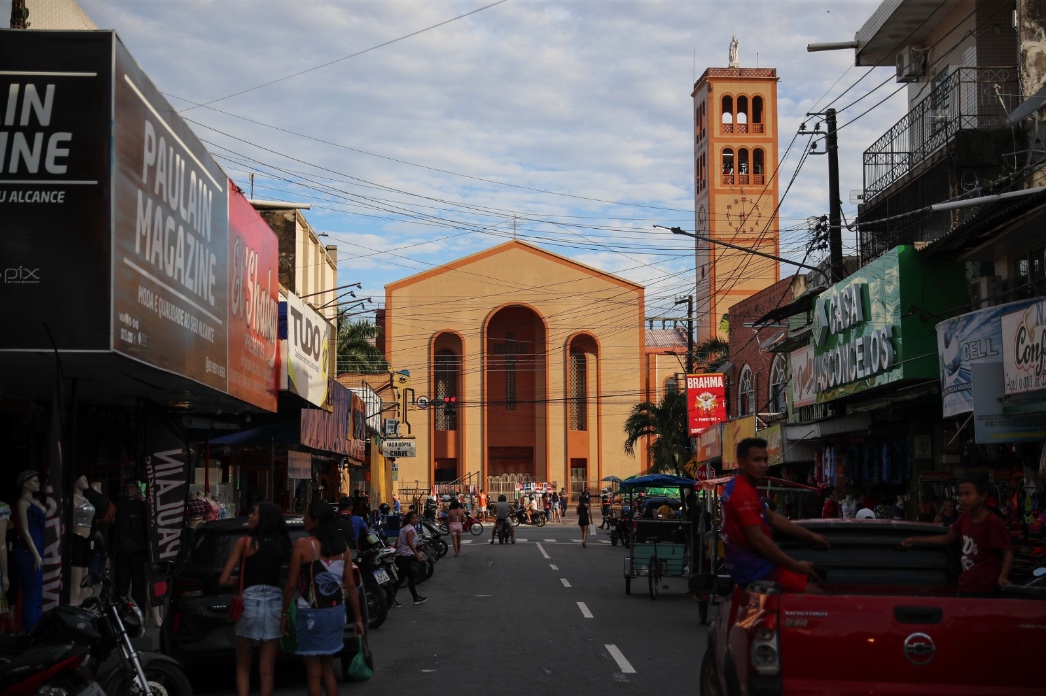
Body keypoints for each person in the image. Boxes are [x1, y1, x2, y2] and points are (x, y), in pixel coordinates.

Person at [721, 438, 830, 593]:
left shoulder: (740, 486)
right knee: (817, 593)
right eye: (757, 460)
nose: (763, 465)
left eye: (765, 460)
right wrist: (797, 566)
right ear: (741, 462)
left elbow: (772, 518)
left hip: (751, 566)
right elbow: (759, 540)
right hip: (755, 569)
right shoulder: (742, 493)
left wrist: (811, 536)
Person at [281, 500, 363, 696]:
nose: (304, 519)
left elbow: (291, 584)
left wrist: (284, 613)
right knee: (328, 670)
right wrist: (358, 618)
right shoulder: (343, 548)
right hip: (336, 613)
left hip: (310, 614)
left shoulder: (302, 545)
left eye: (307, 516)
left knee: (313, 673)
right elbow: (350, 586)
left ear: (316, 521)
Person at [220, 502, 291, 696]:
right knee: (267, 669)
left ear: (263, 519)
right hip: (275, 602)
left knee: (243, 664)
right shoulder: (281, 544)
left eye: (254, 513)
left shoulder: (244, 543)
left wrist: (245, 578)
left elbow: (224, 579)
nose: (249, 516)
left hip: (249, 601)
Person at [902, 472, 1012, 596]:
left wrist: (1003, 576)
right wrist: (916, 539)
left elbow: (1007, 552)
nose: (963, 498)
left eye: (968, 494)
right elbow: (947, 538)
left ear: (983, 496)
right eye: (960, 494)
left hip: (986, 589)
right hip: (965, 586)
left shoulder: (993, 522)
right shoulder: (964, 518)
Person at [13, 470, 45, 631]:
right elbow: (25, 531)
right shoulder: (23, 502)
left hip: (39, 549)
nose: (38, 483)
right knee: (32, 594)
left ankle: (37, 629)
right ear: (25, 483)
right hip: (29, 552)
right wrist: (36, 554)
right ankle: (31, 630)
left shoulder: (37, 501)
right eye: (34, 481)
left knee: (38, 593)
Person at [112, 482, 149, 610]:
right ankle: (121, 612)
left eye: (131, 487)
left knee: (138, 586)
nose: (129, 490)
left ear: (137, 489)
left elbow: (146, 530)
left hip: (138, 552)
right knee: (121, 585)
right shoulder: (118, 506)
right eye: (126, 487)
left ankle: (138, 612)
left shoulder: (142, 507)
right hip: (122, 551)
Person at [390, 511, 428, 606]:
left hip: (402, 555)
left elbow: (397, 542)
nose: (416, 520)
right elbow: (409, 542)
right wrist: (416, 554)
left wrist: (393, 552)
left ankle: (415, 597)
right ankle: (391, 599)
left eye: (416, 518)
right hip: (405, 556)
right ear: (409, 520)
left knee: (407, 577)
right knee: (401, 579)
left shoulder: (404, 528)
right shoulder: (410, 529)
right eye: (413, 518)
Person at [70, 475, 96, 605]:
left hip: (87, 540)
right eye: (82, 478)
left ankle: (80, 605)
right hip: (77, 539)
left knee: (85, 579)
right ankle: (73, 605)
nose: (86, 480)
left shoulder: (85, 499)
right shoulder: (72, 499)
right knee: (76, 580)